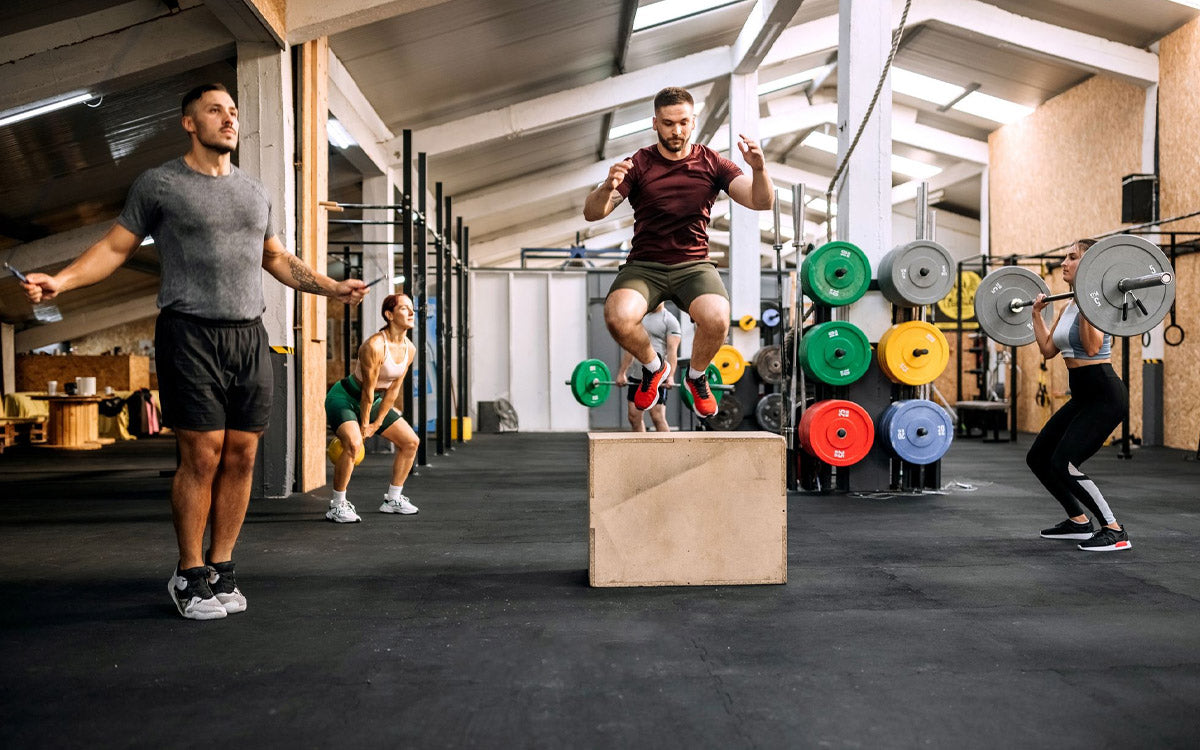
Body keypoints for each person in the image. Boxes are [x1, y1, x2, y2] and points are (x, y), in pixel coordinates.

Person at [20, 83, 368, 619]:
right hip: (189, 333)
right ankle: (188, 574)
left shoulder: (255, 192)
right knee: (201, 454)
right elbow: (115, 247)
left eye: (232, 111)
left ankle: (222, 567)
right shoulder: (159, 184)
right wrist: (61, 282)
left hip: (249, 336)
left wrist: (330, 286)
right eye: (215, 111)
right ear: (189, 122)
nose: (229, 120)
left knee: (242, 455)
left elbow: (277, 259)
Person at [583, 86, 773, 418]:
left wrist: (759, 169)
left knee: (717, 317)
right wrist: (606, 187)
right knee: (617, 316)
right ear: (655, 123)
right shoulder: (638, 164)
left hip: (694, 264)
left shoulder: (712, 162)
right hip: (645, 265)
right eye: (669, 123)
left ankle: (696, 378)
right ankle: (653, 367)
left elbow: (761, 201)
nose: (677, 131)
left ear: (693, 121)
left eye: (684, 122)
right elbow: (593, 213)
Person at [1027, 239, 1131, 552]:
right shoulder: (1068, 304)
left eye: (1072, 258)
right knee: (1038, 458)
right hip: (1083, 396)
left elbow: (1090, 347)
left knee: (1064, 463)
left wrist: (1087, 299)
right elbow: (1048, 350)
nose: (1064, 263)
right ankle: (1078, 521)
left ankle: (1114, 529)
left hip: (1104, 394)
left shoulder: (1097, 304)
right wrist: (1036, 315)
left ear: (1088, 265)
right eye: (1065, 258)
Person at [324, 293, 421, 522]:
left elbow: (393, 390)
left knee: (411, 442)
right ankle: (337, 505)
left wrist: (377, 423)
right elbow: (367, 391)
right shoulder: (375, 346)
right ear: (389, 315)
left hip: (375, 400)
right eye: (404, 308)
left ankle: (393, 499)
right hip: (345, 397)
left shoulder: (410, 349)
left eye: (411, 308)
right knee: (354, 443)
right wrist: (365, 427)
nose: (411, 312)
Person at [615, 303, 681, 432]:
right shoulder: (639, 317)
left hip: (656, 378)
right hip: (637, 375)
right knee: (634, 417)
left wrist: (671, 376)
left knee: (657, 416)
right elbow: (631, 348)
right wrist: (622, 372)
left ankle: (668, 451)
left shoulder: (670, 320)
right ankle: (642, 451)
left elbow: (672, 351)